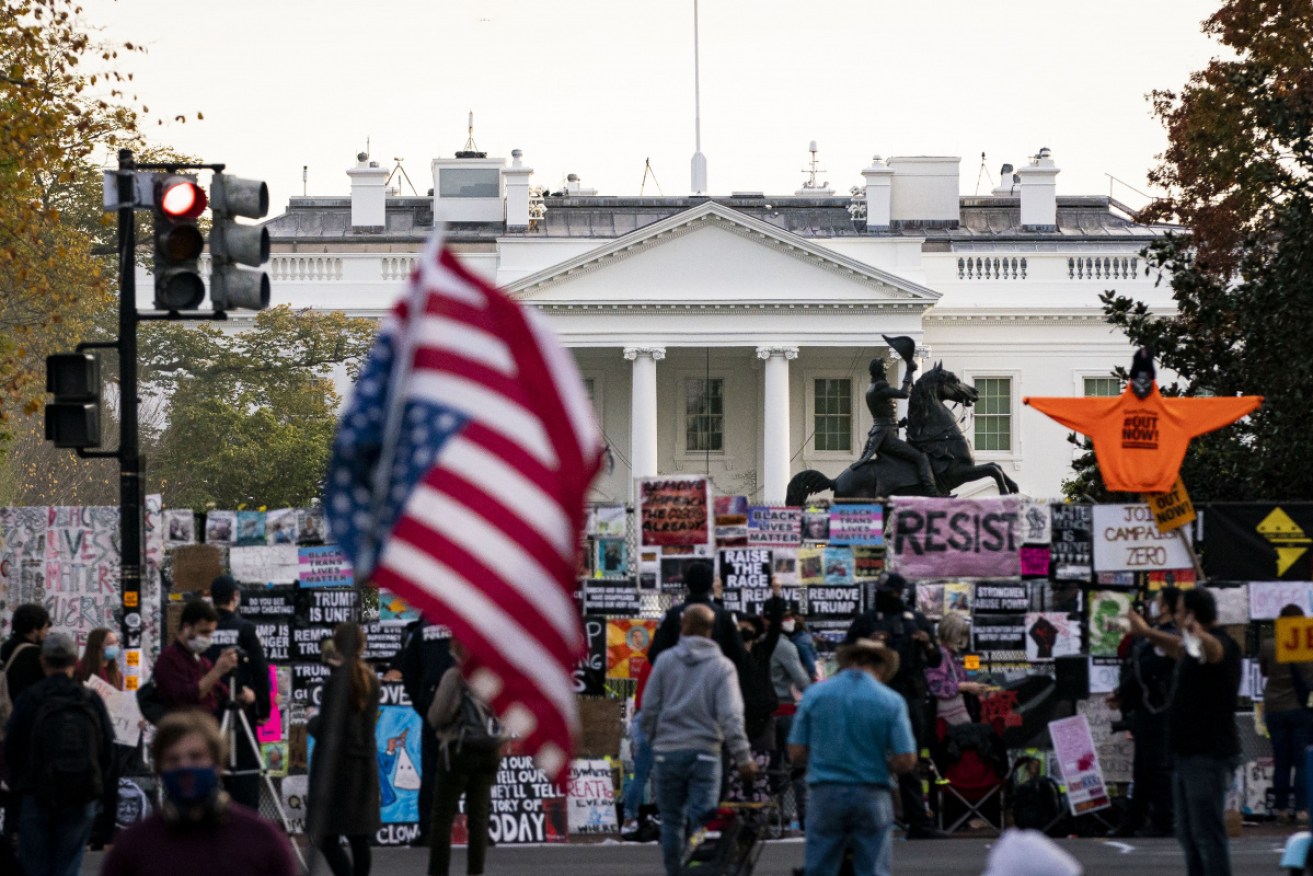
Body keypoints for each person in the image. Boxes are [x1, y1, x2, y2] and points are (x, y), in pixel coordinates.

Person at [1127, 586, 1241, 876]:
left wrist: (1197, 634)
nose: (1175, 617)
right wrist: (1146, 632)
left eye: (1178, 611)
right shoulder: (1190, 647)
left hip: (1208, 754)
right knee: (1189, 834)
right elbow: (1177, 647)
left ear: (1190, 614)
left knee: (1207, 833)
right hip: (1186, 753)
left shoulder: (1221, 643)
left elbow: (1213, 651)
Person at [101, 710, 298, 876]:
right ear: (159, 769)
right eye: (173, 759)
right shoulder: (133, 847)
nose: (185, 767)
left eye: (196, 757)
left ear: (218, 764)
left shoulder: (261, 840)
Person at [642, 604, 756, 876]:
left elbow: (649, 708)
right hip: (706, 752)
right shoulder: (722, 667)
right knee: (703, 819)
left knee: (671, 821)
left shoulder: (665, 661)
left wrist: (655, 739)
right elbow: (731, 717)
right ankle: (699, 870)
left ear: (684, 626)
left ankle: (675, 871)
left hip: (667, 752)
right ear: (711, 630)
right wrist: (743, 757)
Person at [788, 639, 916, 876]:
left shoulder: (816, 695)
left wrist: (824, 759)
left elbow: (796, 752)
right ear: (881, 668)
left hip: (824, 792)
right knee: (872, 868)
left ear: (846, 662)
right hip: (871, 791)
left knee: (820, 867)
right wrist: (882, 766)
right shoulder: (890, 700)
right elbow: (906, 759)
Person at [844, 574, 947, 839]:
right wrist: (869, 643)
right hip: (873, 693)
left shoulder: (916, 620)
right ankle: (862, 820)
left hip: (908, 692)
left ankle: (919, 822)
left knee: (908, 758)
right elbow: (844, 653)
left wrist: (926, 642)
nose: (887, 596)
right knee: (866, 755)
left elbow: (935, 660)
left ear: (901, 592)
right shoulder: (867, 620)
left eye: (891, 592)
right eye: (883, 591)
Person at [4, 632, 114, 876]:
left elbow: (10, 749)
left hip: (37, 793)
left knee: (34, 865)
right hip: (81, 794)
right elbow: (107, 748)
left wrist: (18, 787)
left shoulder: (30, 698)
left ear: (43, 661)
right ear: (75, 661)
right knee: (68, 863)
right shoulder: (89, 698)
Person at [308, 624, 380, 876]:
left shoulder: (335, 683)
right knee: (359, 837)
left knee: (326, 837)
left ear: (337, 645)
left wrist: (312, 720)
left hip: (336, 771)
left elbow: (328, 729)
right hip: (363, 767)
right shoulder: (371, 680)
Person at [1108, 587, 1180, 838]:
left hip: (1162, 708)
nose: (1151, 604)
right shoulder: (1146, 637)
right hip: (1144, 709)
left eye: (1157, 600)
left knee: (1158, 767)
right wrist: (1122, 695)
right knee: (1143, 768)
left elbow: (1156, 667)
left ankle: (1163, 819)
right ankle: (1135, 819)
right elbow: (1136, 669)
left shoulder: (1170, 637)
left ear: (1167, 607)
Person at [428, 639, 503, 876]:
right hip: (489, 750)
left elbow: (437, 715)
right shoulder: (493, 673)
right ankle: (475, 872)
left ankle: (438, 871)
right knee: (479, 817)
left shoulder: (455, 675)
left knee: (442, 815)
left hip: (459, 749)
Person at [205, 575, 271, 811]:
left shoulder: (205, 630)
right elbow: (261, 671)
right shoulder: (245, 628)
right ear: (234, 596)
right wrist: (263, 708)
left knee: (210, 772)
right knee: (245, 775)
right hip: (242, 710)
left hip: (210, 712)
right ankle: (246, 830)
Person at [77, 627, 139, 849]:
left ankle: (104, 835)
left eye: (115, 642)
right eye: (110, 642)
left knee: (110, 788)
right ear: (97, 646)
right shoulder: (81, 670)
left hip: (111, 739)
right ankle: (88, 832)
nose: (114, 647)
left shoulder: (116, 674)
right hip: (88, 737)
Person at [1, 603, 52, 869]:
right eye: (45, 627)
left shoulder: (6, 651)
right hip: (29, 734)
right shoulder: (36, 658)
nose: (47, 632)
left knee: (10, 790)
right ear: (34, 629)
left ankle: (9, 838)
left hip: (6, 731)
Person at [399, 616, 454, 847]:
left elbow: (407, 671)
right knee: (471, 769)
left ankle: (428, 830)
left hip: (433, 707)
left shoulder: (421, 631)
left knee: (432, 771)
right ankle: (482, 829)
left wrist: (421, 704)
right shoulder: (465, 622)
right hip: (464, 709)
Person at [853, 357, 940, 496]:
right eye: (884, 369)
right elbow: (904, 393)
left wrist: (899, 424)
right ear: (879, 371)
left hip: (882, 432)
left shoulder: (872, 387)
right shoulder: (881, 386)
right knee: (921, 457)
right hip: (887, 437)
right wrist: (909, 372)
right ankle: (932, 491)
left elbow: (882, 416)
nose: (886, 371)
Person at [1260, 603, 1313, 824]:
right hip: (1299, 709)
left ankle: (1280, 810)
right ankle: (1302, 810)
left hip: (1274, 707)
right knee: (1301, 761)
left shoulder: (1268, 645)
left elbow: (1263, 671)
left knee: (1281, 761)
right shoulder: (1306, 647)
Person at [646, 560, 747, 669]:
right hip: (713, 679)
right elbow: (739, 655)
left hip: (680, 681)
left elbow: (654, 655)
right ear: (710, 584)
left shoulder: (671, 615)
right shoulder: (725, 616)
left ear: (687, 583)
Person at [154, 599, 239, 715]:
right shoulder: (169, 659)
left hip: (205, 726)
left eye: (210, 633)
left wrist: (241, 695)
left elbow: (221, 691)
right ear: (187, 627)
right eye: (204, 632)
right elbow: (185, 698)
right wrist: (217, 671)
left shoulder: (201, 661)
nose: (208, 638)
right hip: (183, 729)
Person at [925, 613, 989, 726]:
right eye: (961, 634)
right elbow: (937, 687)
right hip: (945, 722)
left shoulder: (954, 654)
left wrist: (971, 686)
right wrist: (965, 686)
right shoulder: (940, 655)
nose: (963, 639)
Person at [621, 658, 657, 841]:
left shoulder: (646, 663)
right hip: (660, 719)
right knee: (665, 774)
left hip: (641, 717)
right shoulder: (671, 662)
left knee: (640, 776)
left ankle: (629, 820)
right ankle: (663, 818)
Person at [783, 611, 819, 682]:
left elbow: (810, 664)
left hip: (804, 677)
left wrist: (813, 676)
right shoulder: (803, 636)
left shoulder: (800, 643)